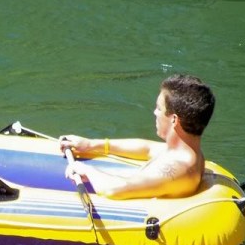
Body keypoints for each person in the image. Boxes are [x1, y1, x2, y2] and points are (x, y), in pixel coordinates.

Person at [60, 74, 215, 200]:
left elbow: (115, 190)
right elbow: (147, 148)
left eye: (159, 108)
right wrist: (91, 144)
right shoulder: (184, 151)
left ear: (174, 119)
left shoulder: (180, 169)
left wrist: (86, 170)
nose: (155, 112)